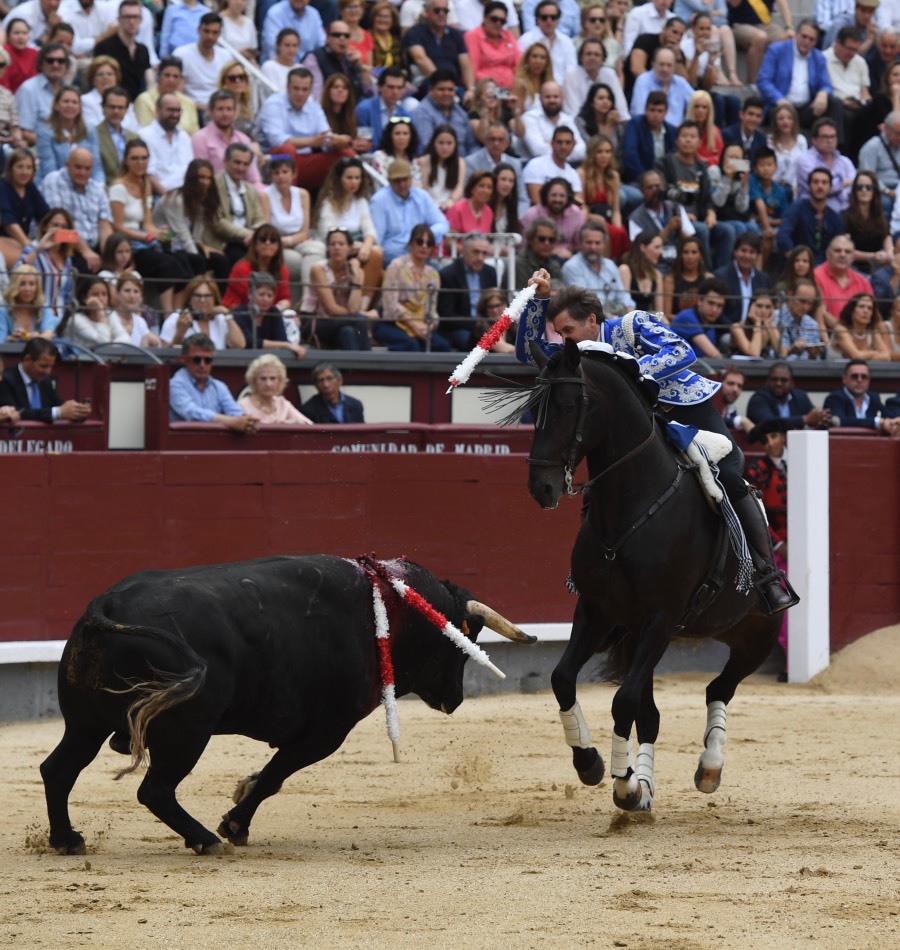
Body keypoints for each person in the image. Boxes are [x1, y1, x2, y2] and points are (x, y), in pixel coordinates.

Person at [516, 271, 798, 613]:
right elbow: (529, 352)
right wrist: (539, 299)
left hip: (685, 411)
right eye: (560, 334)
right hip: (640, 430)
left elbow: (681, 351)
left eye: (568, 332)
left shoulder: (631, 325)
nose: (564, 341)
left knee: (728, 474)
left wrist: (630, 371)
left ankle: (767, 576)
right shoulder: (581, 356)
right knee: (601, 488)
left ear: (592, 320)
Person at [109, 138, 194, 316]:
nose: (140, 163)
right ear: (126, 160)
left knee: (184, 261)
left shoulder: (145, 183)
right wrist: (147, 237)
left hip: (144, 239)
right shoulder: (118, 187)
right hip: (129, 244)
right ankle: (167, 314)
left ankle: (177, 315)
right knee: (167, 264)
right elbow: (117, 227)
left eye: (144, 158)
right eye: (135, 158)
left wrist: (159, 233)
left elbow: (147, 223)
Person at [744, 416, 791, 679]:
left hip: (801, 545)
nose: (770, 443)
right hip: (773, 551)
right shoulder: (757, 470)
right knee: (782, 602)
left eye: (774, 436)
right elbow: (755, 514)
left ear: (783, 437)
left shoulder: (797, 464)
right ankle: (788, 664)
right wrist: (778, 544)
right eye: (765, 440)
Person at [258, 66, 352, 191]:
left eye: (305, 89)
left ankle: (345, 205)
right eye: (296, 88)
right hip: (273, 160)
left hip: (304, 161)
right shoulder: (273, 104)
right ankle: (289, 201)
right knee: (288, 150)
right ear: (287, 87)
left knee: (346, 155)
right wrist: (313, 141)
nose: (300, 94)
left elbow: (325, 136)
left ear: (310, 90)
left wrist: (338, 141)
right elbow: (277, 142)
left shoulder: (314, 105)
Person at [151, 157, 233, 285]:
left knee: (221, 260)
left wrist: (203, 247)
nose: (205, 182)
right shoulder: (174, 199)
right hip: (166, 245)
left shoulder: (202, 201)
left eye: (208, 178)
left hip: (187, 246)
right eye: (201, 177)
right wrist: (198, 253)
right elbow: (182, 234)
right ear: (191, 178)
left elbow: (195, 236)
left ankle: (219, 301)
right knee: (199, 261)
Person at [310, 155, 381, 301]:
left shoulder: (360, 201)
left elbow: (370, 230)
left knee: (376, 253)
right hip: (335, 248)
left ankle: (363, 306)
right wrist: (354, 245)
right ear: (339, 179)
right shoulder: (329, 202)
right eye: (349, 177)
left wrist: (366, 246)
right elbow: (328, 233)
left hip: (355, 249)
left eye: (357, 178)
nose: (354, 182)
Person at [656, 119, 723, 269]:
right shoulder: (665, 163)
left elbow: (707, 199)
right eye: (684, 136)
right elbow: (662, 192)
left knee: (728, 231)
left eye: (692, 137)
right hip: (676, 218)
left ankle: (722, 273)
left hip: (698, 217)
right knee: (701, 230)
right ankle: (706, 272)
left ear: (699, 142)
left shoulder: (701, 167)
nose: (688, 140)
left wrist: (711, 213)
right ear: (677, 140)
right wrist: (683, 215)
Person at [375, 223, 450, 351]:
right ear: (411, 243)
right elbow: (390, 305)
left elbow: (432, 308)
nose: (424, 246)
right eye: (420, 241)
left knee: (443, 346)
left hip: (421, 324)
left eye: (429, 243)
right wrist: (414, 324)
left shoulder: (433, 274)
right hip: (393, 324)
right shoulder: (396, 266)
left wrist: (427, 327)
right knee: (412, 346)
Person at [300, 226, 376, 349]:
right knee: (359, 320)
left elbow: (354, 307)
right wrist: (359, 315)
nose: (336, 247)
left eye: (341, 244)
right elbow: (332, 309)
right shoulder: (318, 269)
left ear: (350, 248)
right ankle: (370, 363)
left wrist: (356, 276)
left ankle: (357, 368)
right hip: (314, 322)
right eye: (332, 244)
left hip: (340, 323)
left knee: (348, 332)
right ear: (328, 248)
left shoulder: (357, 272)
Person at [168, 332, 257, 431]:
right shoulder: (174, 385)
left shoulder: (219, 386)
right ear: (183, 359)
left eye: (207, 360)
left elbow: (235, 411)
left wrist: (245, 420)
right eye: (197, 360)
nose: (202, 365)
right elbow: (191, 413)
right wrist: (229, 421)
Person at [370, 158, 449, 266]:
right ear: (389, 181)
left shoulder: (422, 196)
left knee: (441, 277)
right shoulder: (379, 201)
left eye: (405, 179)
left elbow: (442, 224)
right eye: (397, 181)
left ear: (411, 179)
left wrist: (423, 236)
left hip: (420, 254)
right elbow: (377, 238)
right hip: (392, 257)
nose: (402, 184)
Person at [0, 336, 90, 422]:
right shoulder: (5, 379)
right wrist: (58, 412)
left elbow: (58, 406)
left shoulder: (46, 381)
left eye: (51, 366)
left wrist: (77, 411)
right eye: (43, 366)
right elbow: (14, 413)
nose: (48, 371)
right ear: (27, 359)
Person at [13, 207, 78, 323]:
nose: (59, 229)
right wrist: (40, 248)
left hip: (59, 319)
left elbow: (66, 293)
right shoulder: (33, 249)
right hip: (36, 317)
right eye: (55, 225)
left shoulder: (67, 259)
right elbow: (18, 272)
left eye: (64, 227)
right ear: (45, 227)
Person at [208, 142, 268, 266]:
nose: (241, 168)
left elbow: (260, 219)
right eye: (237, 162)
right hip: (223, 242)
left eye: (245, 164)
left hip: (249, 241)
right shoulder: (213, 184)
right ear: (225, 162)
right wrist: (250, 235)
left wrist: (254, 234)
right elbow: (218, 223)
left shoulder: (250, 189)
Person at [436, 231, 497, 349]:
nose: (480, 258)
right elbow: (446, 316)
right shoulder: (448, 274)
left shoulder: (490, 272)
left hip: (487, 325)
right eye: (476, 252)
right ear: (463, 251)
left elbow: (494, 300)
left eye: (484, 253)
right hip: (460, 328)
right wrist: (476, 324)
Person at [191, 89, 262, 189]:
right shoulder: (200, 138)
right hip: (212, 193)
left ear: (235, 112)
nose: (225, 114)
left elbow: (253, 179)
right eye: (220, 109)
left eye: (229, 109)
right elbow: (201, 177)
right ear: (211, 111)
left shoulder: (243, 140)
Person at [561, 219, 635, 316]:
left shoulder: (610, 265)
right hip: (589, 318)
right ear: (580, 243)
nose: (593, 247)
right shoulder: (571, 267)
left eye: (597, 243)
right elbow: (585, 304)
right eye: (589, 242)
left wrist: (630, 313)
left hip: (616, 315)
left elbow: (622, 296)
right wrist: (614, 319)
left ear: (604, 244)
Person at [776, 167, 846, 266]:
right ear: (809, 186)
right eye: (816, 182)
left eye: (824, 183)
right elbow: (783, 237)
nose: (820, 186)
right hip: (797, 267)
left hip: (824, 270)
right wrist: (798, 263)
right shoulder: (797, 208)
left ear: (830, 187)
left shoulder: (835, 217)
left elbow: (840, 246)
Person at [35, 84, 103, 185]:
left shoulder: (90, 130)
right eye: (66, 101)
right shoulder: (45, 132)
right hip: (54, 185)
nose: (70, 105)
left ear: (80, 108)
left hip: (85, 186)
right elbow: (49, 170)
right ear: (56, 105)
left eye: (74, 102)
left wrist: (98, 186)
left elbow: (96, 165)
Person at [403, 0, 474, 95]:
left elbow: (466, 64)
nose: (442, 14)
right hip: (428, 84)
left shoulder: (455, 34)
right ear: (427, 11)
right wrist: (444, 85)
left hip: (454, 87)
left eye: (445, 11)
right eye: (437, 10)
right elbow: (420, 59)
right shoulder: (415, 33)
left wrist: (471, 89)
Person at [628, 167, 696, 266]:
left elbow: (689, 240)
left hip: (678, 262)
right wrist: (668, 229)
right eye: (650, 187)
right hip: (653, 265)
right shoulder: (635, 218)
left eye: (657, 186)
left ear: (664, 186)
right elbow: (639, 252)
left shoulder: (675, 206)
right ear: (642, 191)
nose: (655, 191)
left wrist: (680, 229)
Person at [230, 272, 306, 357]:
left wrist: (283, 344)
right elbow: (250, 342)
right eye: (261, 294)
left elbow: (282, 339)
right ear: (250, 294)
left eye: (269, 296)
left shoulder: (274, 312)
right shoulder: (239, 313)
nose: (265, 299)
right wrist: (286, 345)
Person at [160, 275, 246, 349]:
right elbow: (164, 355)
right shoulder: (176, 318)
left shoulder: (220, 319)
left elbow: (239, 345)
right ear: (189, 299)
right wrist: (180, 333)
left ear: (214, 298)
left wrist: (226, 314)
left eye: (207, 296)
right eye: (197, 296)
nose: (202, 300)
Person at [91, 0, 152, 105]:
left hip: (137, 104)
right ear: (119, 19)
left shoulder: (143, 50)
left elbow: (149, 80)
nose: (131, 21)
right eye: (127, 17)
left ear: (141, 20)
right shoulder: (104, 47)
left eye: (135, 17)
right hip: (112, 104)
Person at [173, 13, 234, 117]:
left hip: (219, 110)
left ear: (219, 34)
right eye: (206, 31)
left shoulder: (226, 56)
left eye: (215, 33)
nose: (210, 36)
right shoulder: (182, 54)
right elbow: (177, 92)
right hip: (190, 110)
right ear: (198, 30)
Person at [579, 134, 628, 259]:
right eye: (599, 152)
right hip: (590, 219)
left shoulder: (613, 176)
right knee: (613, 232)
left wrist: (618, 226)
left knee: (620, 232)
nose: (604, 156)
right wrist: (591, 217)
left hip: (607, 217)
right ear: (592, 154)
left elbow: (616, 209)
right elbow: (581, 206)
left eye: (607, 152)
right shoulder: (582, 173)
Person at [223, 223, 292, 312]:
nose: (268, 243)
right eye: (263, 239)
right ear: (255, 244)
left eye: (273, 240)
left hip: (271, 314)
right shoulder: (241, 268)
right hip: (240, 313)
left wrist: (277, 309)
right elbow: (249, 299)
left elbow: (285, 299)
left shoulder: (282, 270)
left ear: (278, 246)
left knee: (289, 313)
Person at [794, 118, 857, 212]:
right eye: (825, 137)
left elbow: (854, 188)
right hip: (812, 213)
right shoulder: (804, 160)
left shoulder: (845, 162)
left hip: (846, 212)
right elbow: (820, 188)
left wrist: (838, 186)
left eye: (833, 137)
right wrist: (842, 183)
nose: (830, 141)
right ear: (814, 140)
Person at [303, 19, 373, 103]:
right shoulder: (315, 58)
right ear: (327, 38)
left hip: (351, 112)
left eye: (346, 36)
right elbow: (316, 97)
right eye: (337, 35)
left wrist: (361, 68)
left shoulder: (352, 59)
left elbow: (370, 94)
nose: (342, 38)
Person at [412, 68, 478, 157]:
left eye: (450, 90)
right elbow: (427, 146)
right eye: (441, 89)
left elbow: (472, 145)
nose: (446, 93)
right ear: (431, 90)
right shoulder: (422, 112)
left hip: (465, 165)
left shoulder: (461, 113)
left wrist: (472, 163)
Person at [746, 360, 832, 427]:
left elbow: (813, 417)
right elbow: (769, 423)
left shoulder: (800, 397)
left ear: (792, 383)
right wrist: (804, 419)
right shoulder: (758, 399)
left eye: (784, 380)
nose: (778, 384)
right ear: (767, 381)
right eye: (774, 379)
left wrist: (820, 418)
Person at [0, 148, 48, 268]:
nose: (24, 172)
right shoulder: (2, 186)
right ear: (11, 168)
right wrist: (28, 244)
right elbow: (8, 221)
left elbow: (46, 215)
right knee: (31, 263)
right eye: (20, 167)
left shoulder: (30, 188)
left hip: (22, 242)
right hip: (4, 239)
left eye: (28, 168)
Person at [824, 357, 900, 431]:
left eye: (864, 377)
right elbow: (838, 421)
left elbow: (888, 415)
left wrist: (895, 421)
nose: (859, 380)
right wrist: (877, 422)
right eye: (854, 376)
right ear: (844, 379)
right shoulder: (834, 398)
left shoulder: (873, 397)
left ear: (869, 380)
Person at [142, 93, 195, 195]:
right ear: (157, 110)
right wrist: (168, 197)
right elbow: (148, 174)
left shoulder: (184, 137)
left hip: (187, 194)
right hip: (160, 195)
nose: (175, 114)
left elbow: (190, 169)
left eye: (178, 110)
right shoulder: (145, 136)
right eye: (170, 110)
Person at [520, 176, 584, 260]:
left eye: (562, 196)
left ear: (568, 197)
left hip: (568, 260)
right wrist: (553, 251)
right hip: (536, 260)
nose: (557, 199)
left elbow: (579, 245)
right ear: (546, 196)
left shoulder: (576, 214)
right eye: (553, 195)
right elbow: (523, 247)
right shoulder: (532, 214)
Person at [714, 232, 771, 326]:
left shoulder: (764, 279)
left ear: (757, 255)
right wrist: (735, 329)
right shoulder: (721, 276)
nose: (747, 256)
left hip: (756, 330)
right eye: (743, 250)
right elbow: (717, 312)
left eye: (752, 252)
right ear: (735, 251)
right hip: (728, 331)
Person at [630, 47, 694, 129]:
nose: (665, 69)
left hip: (677, 134)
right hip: (648, 130)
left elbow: (697, 101)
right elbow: (639, 112)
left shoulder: (681, 83)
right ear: (653, 64)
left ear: (674, 67)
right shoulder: (643, 80)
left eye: (669, 65)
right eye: (661, 64)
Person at [239, 353, 313, 424]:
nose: (268, 384)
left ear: (280, 381)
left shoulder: (282, 404)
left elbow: (309, 425)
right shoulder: (243, 405)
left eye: (273, 378)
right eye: (263, 378)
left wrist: (287, 424)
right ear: (254, 380)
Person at [133, 56, 200, 135]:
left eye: (175, 76)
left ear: (180, 79)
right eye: (167, 75)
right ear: (159, 76)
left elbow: (195, 133)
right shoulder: (144, 100)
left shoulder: (189, 103)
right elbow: (145, 130)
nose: (171, 80)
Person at [842, 170, 893, 273]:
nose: (864, 190)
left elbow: (888, 242)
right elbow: (845, 250)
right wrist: (873, 256)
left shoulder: (881, 217)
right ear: (854, 191)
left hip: (879, 267)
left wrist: (888, 254)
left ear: (874, 191)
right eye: (859, 187)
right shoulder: (845, 216)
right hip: (854, 268)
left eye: (868, 187)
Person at [814, 233, 875, 320]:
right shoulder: (815, 277)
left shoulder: (863, 282)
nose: (842, 255)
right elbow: (821, 313)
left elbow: (872, 313)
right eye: (837, 251)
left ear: (853, 257)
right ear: (828, 253)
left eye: (847, 252)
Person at [516, 0, 577, 85]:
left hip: (562, 92)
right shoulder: (526, 41)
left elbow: (571, 72)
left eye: (553, 17)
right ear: (537, 19)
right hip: (534, 89)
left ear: (558, 19)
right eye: (544, 17)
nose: (549, 21)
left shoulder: (567, 42)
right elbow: (521, 70)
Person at [522, 124, 584, 204]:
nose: (563, 146)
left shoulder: (573, 174)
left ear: (574, 145)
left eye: (568, 142)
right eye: (559, 142)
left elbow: (579, 202)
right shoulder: (535, 165)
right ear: (552, 144)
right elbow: (537, 201)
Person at [670, 276, 730, 357]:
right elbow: (714, 355)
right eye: (711, 303)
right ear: (699, 300)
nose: (714, 310)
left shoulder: (709, 324)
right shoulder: (687, 317)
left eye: (719, 306)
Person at [66, 276, 130, 349]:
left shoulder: (110, 314)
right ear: (84, 298)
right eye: (95, 294)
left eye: (104, 294)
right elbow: (103, 343)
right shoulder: (76, 319)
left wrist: (110, 345)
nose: (101, 298)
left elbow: (125, 338)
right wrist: (100, 315)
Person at [355, 67, 411, 148]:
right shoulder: (364, 109)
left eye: (399, 88)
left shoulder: (406, 114)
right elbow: (363, 145)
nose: (395, 92)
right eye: (390, 87)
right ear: (379, 87)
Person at [826, 291, 893, 359]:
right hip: (834, 369)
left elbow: (886, 356)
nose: (866, 311)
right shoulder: (841, 329)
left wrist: (865, 355)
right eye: (861, 306)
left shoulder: (872, 332)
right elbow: (856, 356)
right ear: (852, 311)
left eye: (869, 308)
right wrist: (875, 353)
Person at [94, 85, 139, 186]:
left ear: (126, 110)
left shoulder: (134, 137)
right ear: (103, 108)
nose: (116, 111)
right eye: (112, 107)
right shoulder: (93, 135)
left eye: (120, 107)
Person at [857, 110, 900, 214]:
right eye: (898, 133)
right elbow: (867, 177)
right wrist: (888, 192)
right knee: (885, 203)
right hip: (881, 191)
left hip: (898, 188)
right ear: (886, 128)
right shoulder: (871, 147)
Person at [0, 263, 57, 341]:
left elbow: (48, 334)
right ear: (15, 286)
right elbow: (1, 341)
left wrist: (37, 338)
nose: (27, 289)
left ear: (37, 287)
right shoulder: (4, 310)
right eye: (22, 284)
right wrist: (11, 339)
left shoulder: (43, 308)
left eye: (32, 284)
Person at [776, 278, 829, 359]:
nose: (806, 307)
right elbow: (771, 356)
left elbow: (816, 364)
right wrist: (790, 351)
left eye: (810, 303)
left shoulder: (812, 324)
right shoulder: (774, 318)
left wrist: (812, 356)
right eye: (802, 301)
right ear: (790, 295)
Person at [419, 123, 466, 213]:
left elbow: (459, 187)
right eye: (441, 143)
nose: (445, 147)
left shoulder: (460, 162)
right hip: (430, 206)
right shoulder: (424, 161)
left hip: (452, 205)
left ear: (455, 144)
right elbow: (424, 188)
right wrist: (434, 205)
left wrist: (450, 202)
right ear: (434, 143)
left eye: (449, 143)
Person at [261, 0, 325, 64]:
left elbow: (321, 44)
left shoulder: (314, 14)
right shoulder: (275, 12)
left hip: (308, 68)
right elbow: (272, 46)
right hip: (279, 65)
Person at [663, 234, 712, 317]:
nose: (690, 256)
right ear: (680, 256)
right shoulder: (670, 280)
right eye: (685, 252)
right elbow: (667, 314)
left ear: (701, 256)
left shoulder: (709, 279)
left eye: (694, 252)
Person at [618, 229, 665, 316]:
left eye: (661, 247)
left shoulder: (657, 274)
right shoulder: (625, 270)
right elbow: (625, 305)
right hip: (628, 322)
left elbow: (660, 313)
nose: (661, 252)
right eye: (657, 247)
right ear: (643, 247)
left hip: (648, 324)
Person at [300, 361, 365, 423]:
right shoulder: (309, 410)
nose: (326, 385)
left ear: (340, 380)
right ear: (315, 385)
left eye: (329, 378)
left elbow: (362, 433)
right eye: (320, 380)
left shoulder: (356, 405)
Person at [766, 101, 808, 197]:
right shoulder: (768, 141)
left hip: (796, 190)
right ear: (775, 122)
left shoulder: (801, 140)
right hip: (773, 189)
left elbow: (803, 167)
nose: (785, 121)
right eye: (781, 118)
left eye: (789, 118)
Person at [113, 272, 160, 347]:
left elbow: (157, 344)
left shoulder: (140, 322)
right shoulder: (110, 318)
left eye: (136, 291)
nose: (132, 296)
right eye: (127, 290)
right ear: (117, 293)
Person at [445, 171, 495, 237]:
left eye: (489, 187)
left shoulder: (489, 212)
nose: (485, 190)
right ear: (472, 188)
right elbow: (450, 241)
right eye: (481, 186)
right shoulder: (457, 209)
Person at [512, 41, 554, 118]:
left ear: (547, 63)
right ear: (527, 60)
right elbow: (517, 114)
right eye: (534, 56)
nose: (538, 61)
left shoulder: (550, 84)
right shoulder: (521, 84)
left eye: (542, 58)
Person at [686, 89, 723, 168]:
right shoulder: (682, 129)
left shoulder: (715, 132)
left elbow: (719, 158)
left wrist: (703, 161)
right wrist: (707, 160)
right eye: (697, 106)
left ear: (709, 110)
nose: (700, 110)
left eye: (704, 107)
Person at [2, 19, 38, 96]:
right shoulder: (3, 53)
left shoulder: (35, 54)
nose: (21, 37)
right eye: (16, 33)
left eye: (24, 33)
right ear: (8, 36)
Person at [473, 287, 515, 352]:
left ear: (505, 305)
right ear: (484, 309)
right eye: (490, 307)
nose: (494, 310)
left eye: (497, 305)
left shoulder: (513, 322)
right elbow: (503, 349)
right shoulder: (481, 325)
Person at [490, 161, 523, 234]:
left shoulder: (511, 207)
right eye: (503, 179)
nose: (507, 184)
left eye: (511, 181)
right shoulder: (485, 205)